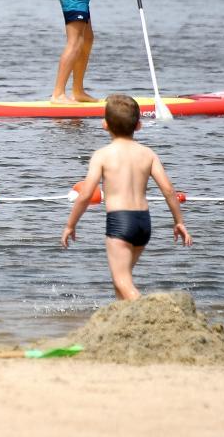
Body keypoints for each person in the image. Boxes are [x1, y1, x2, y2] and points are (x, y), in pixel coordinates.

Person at [60, 94, 192, 300]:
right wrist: (179, 221)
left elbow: (86, 194)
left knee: (122, 280)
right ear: (139, 125)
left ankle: (152, 314)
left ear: (104, 125)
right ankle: (123, 324)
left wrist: (70, 225)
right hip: (144, 223)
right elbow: (168, 190)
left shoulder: (102, 155)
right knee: (121, 279)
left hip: (121, 222)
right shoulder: (148, 154)